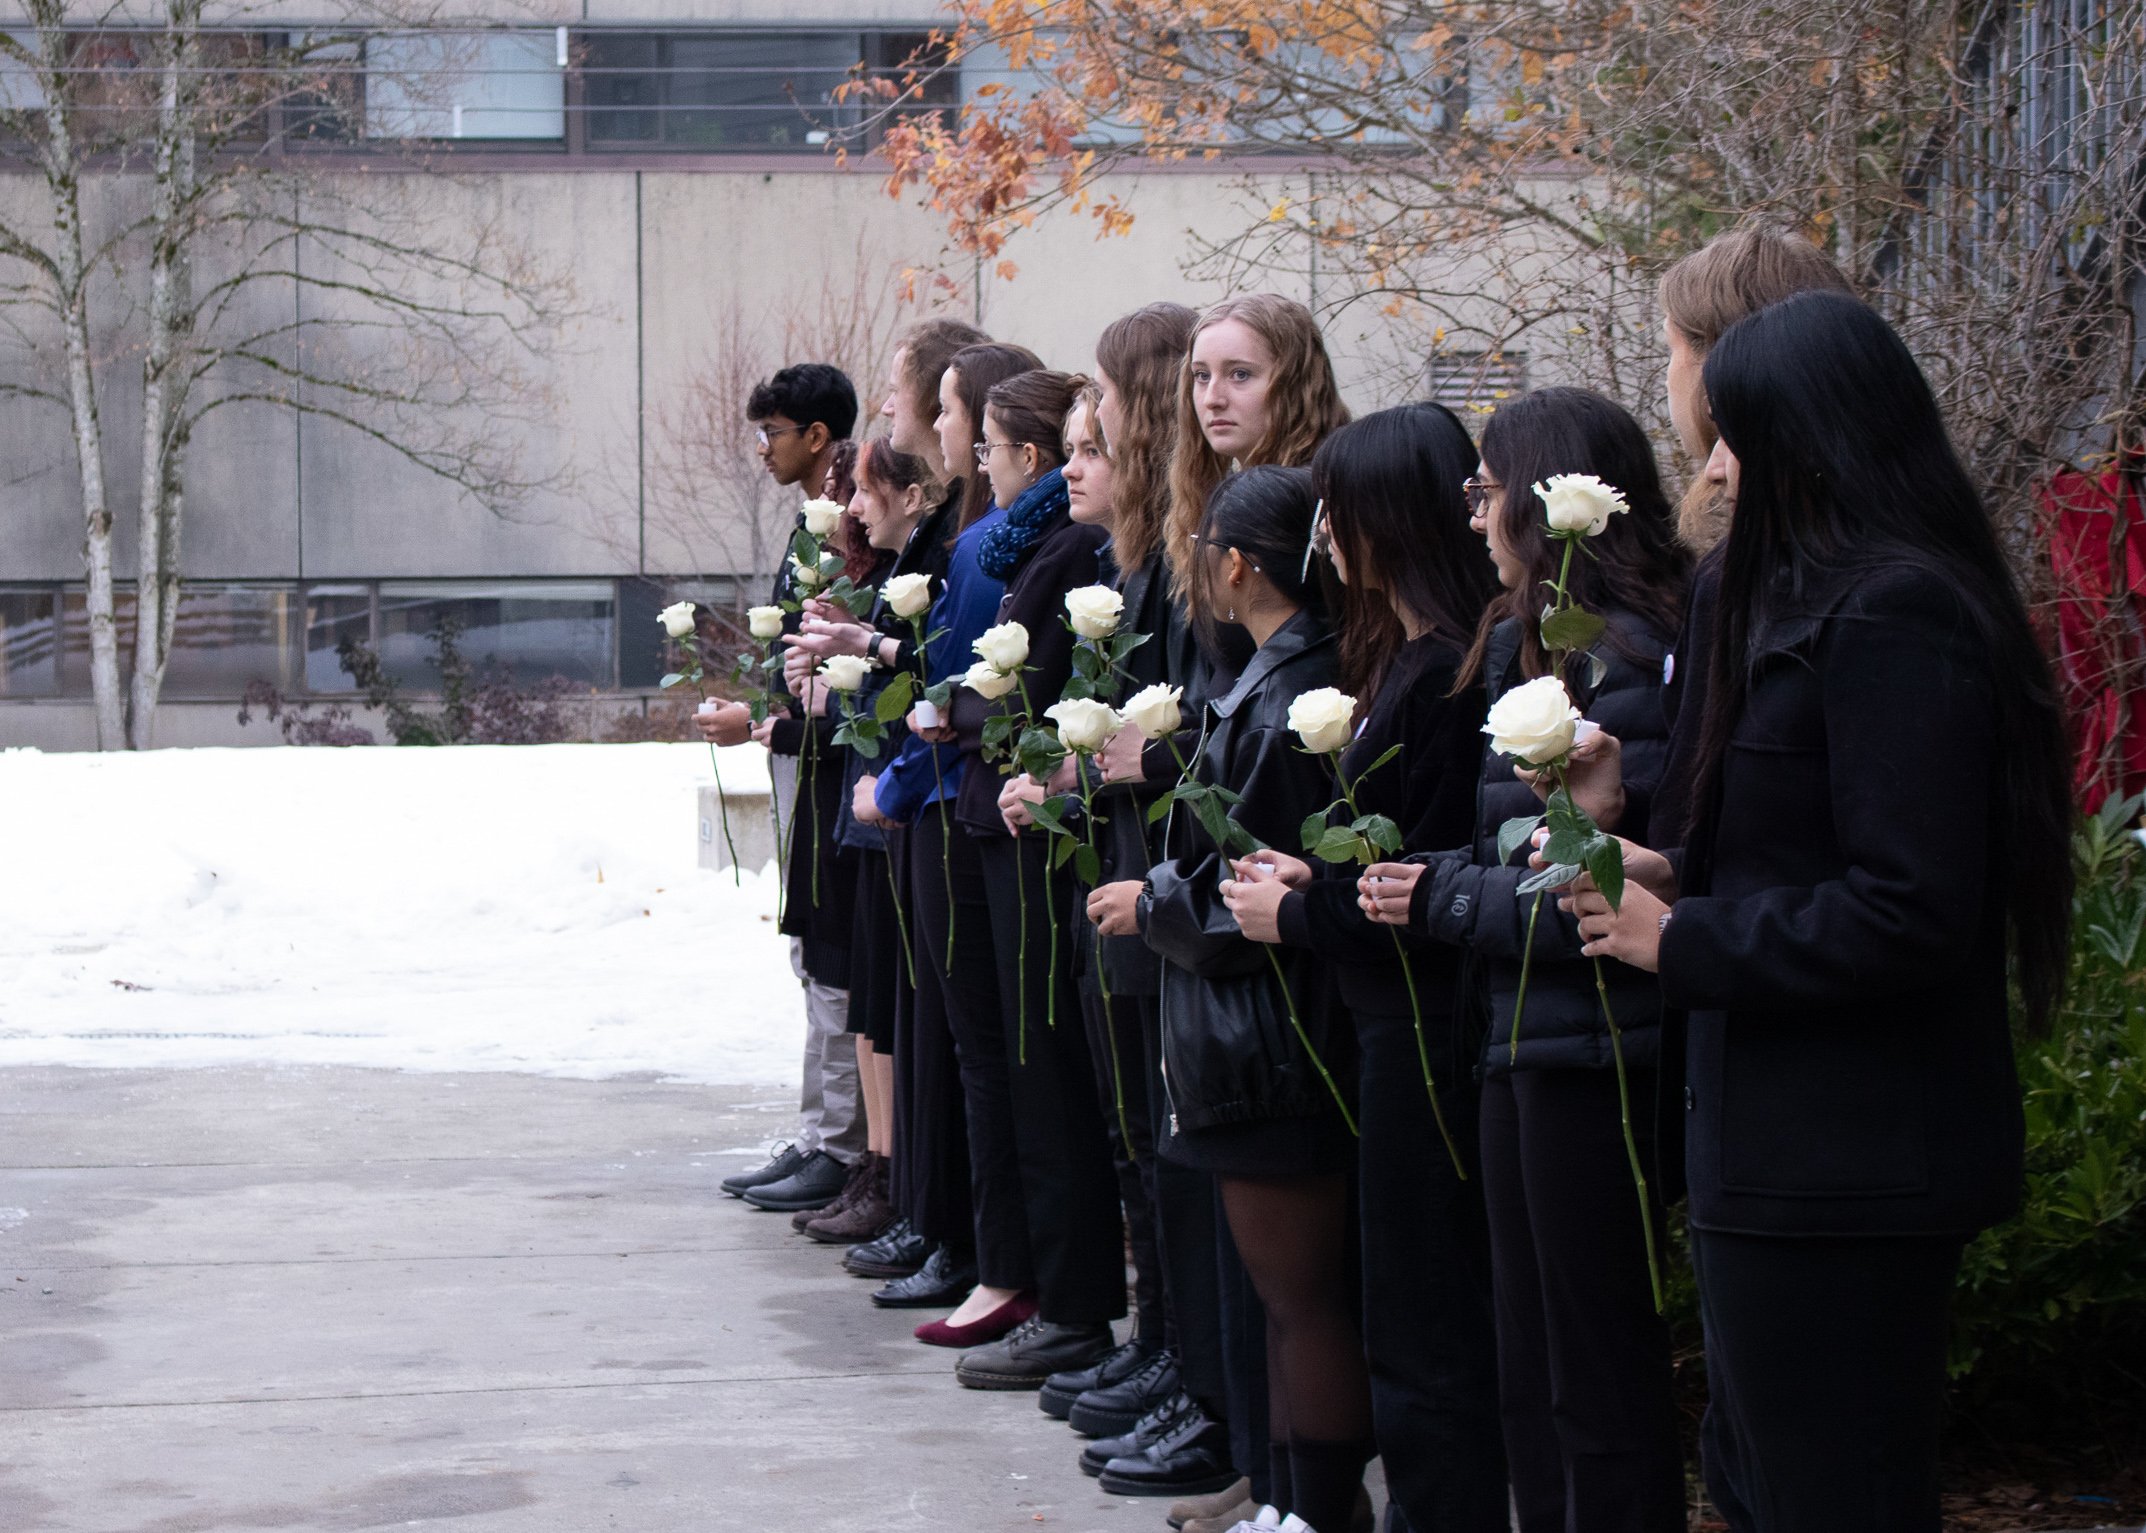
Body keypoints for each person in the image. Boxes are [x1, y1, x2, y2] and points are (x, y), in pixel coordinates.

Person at [1563, 291, 2071, 1533]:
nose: (1718, 468)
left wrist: (1685, 940)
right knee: (1758, 1483)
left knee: (1827, 1493)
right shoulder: (1790, 595)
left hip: (1852, 1159)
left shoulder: (1900, 608)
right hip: (1765, 1141)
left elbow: (1911, 907)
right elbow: (1794, 847)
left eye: (1737, 436)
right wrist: (1644, 848)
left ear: (1814, 437)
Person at [1357, 389, 1692, 1532]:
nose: (1471, 520)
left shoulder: (1624, 656)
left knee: (1592, 1370)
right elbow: (1520, 845)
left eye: (1487, 493)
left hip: (1595, 1045)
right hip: (1518, 1038)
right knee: (1529, 1362)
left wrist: (1444, 894)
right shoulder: (1525, 645)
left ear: (1549, 509)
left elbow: (1602, 883)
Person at [1089, 294, 1352, 1522]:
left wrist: (1174, 745)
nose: (1213, 397)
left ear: (1292, 378)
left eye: (1239, 374)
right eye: (1200, 375)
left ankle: (1290, 1476)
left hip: (1276, 915)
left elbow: (1300, 697)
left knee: (1290, 1251)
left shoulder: (1311, 507)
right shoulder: (1203, 513)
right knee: (1209, 1201)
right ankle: (1248, 1446)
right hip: (1195, 882)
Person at [1224, 404, 1508, 1533]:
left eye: (1340, 505)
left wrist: (1303, 912)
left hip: (1425, 1027)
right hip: (1389, 1019)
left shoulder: (1444, 668)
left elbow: (1424, 876)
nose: (1325, 529)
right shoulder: (1404, 657)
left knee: (1427, 1318)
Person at [1137, 466, 1369, 1532]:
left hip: (1278, 1041)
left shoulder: (1293, 698)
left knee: (1300, 1298)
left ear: (1235, 564)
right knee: (1284, 1300)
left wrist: (1148, 905)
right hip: (1266, 1038)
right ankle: (1284, 1497)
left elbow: (1254, 886)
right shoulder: (1274, 681)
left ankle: (1316, 1507)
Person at [938, 367, 1127, 1390]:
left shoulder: (1072, 552)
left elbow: (1032, 697)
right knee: (1016, 1063)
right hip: (1000, 815)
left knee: (1047, 1074)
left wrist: (966, 714)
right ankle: (1052, 1292)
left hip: (1042, 831)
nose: (974, 461)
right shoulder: (1032, 547)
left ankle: (1075, 1302)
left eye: (1090, 449)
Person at [867, 342, 1043, 1314]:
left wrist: (894, 784)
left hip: (956, 802)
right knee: (954, 1039)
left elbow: (956, 690)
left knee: (982, 1047)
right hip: (946, 798)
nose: (932, 424)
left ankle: (997, 1262)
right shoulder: (978, 530)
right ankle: (973, 1246)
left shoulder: (988, 542)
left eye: (940, 406)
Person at [792, 437, 951, 1247]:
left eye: (859, 490)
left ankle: (897, 1178)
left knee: (892, 1004)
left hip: (905, 800)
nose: (850, 507)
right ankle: (879, 1169)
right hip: (874, 800)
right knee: (869, 999)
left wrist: (856, 662)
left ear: (915, 494)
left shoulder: (939, 562)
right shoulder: (884, 576)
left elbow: (935, 683)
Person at [714, 362, 865, 1214]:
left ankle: (838, 1145)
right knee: (811, 947)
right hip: (800, 746)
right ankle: (820, 1134)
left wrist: (779, 720)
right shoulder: (818, 518)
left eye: (772, 432)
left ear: (815, 435)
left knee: (831, 946)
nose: (761, 450)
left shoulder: (843, 519)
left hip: (830, 758)